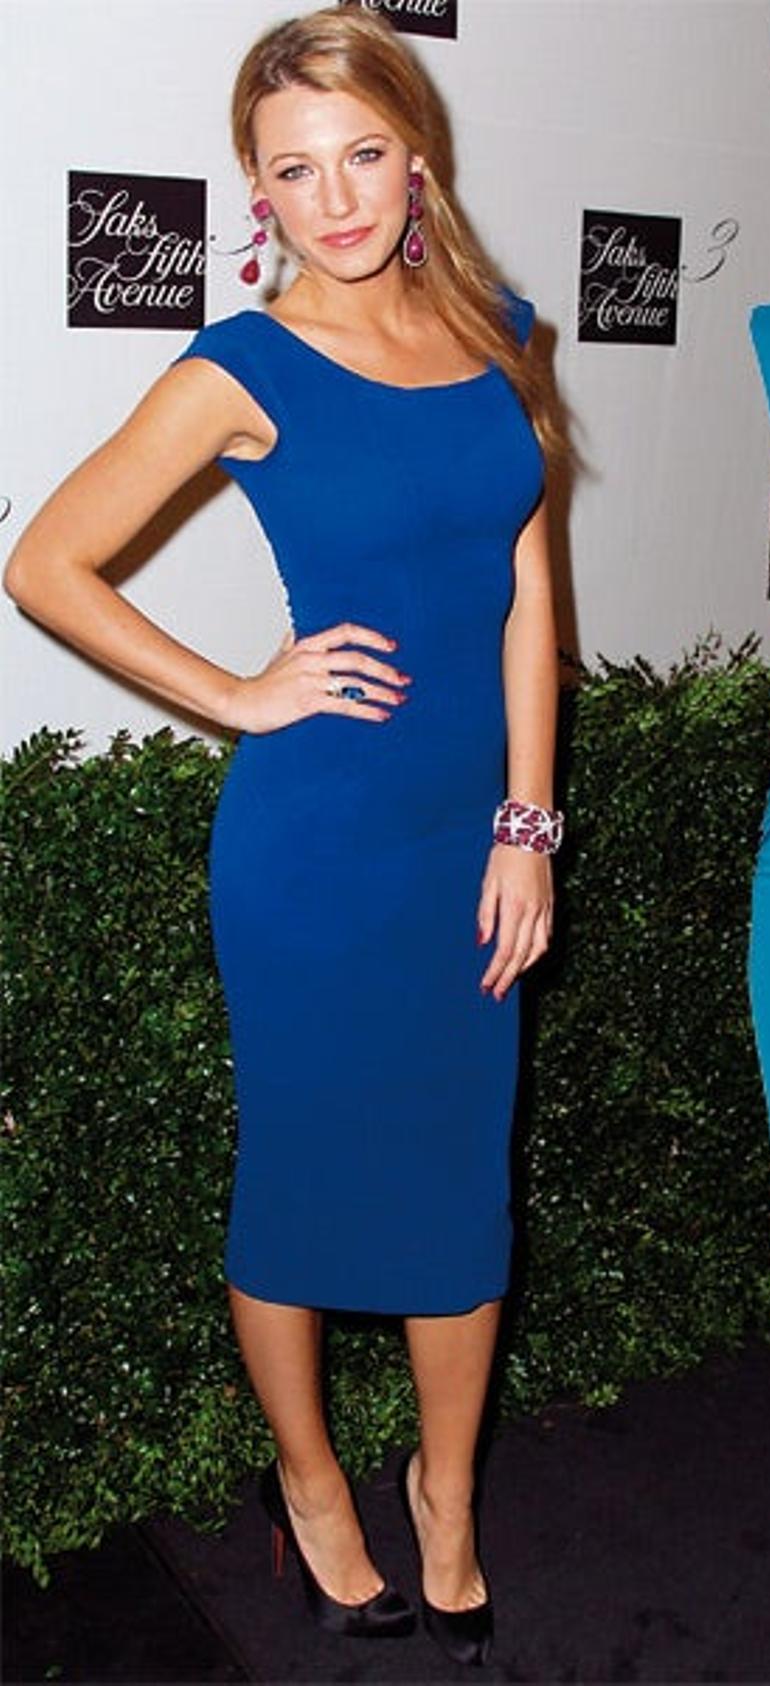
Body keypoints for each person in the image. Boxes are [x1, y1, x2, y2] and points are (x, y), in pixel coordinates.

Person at [3, 4, 566, 1661]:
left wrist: (527, 821)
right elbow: (45, 563)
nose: (336, 199)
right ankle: (312, 1485)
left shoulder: (501, 331)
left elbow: (530, 590)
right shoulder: (242, 369)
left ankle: (447, 1493)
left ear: (418, 155)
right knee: (303, 1185)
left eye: (364, 154)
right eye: (293, 170)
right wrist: (239, 692)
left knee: (462, 1187)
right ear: (255, 188)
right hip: (314, 857)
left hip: (469, 843)